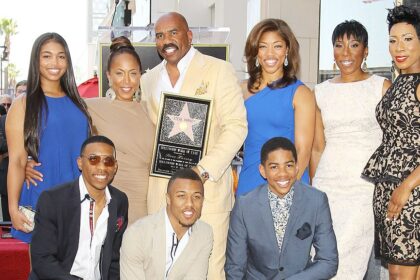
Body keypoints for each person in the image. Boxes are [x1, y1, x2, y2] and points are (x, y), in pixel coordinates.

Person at [141, 12, 247, 279]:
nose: (167, 40)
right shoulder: (148, 80)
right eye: (160, 35)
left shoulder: (218, 70)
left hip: (207, 191)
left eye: (173, 32)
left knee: (208, 271)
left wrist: (202, 171)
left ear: (189, 36)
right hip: (162, 196)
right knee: (162, 269)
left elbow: (236, 126)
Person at [310, 20, 391, 279]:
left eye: (354, 45)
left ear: (365, 51)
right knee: (322, 254)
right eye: (338, 45)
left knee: (349, 258)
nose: (345, 53)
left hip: (364, 187)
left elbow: (393, 142)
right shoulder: (320, 92)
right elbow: (317, 146)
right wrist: (313, 192)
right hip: (327, 184)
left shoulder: (381, 87)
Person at [6, 32, 91, 243]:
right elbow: (16, 160)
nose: (55, 62)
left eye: (61, 56)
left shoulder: (79, 104)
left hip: (77, 199)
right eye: (47, 56)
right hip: (40, 196)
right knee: (43, 271)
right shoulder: (22, 104)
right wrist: (12, 207)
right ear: (36, 60)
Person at [225, 137, 338, 279]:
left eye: (288, 165)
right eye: (274, 167)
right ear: (262, 171)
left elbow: (329, 262)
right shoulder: (245, 205)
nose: (283, 173)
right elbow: (235, 267)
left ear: (297, 167)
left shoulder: (316, 200)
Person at [362, 5, 420, 279]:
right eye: (393, 40)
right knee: (398, 272)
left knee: (401, 273)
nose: (399, 47)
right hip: (391, 190)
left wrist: (406, 187)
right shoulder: (399, 81)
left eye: (408, 39)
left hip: (413, 191)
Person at [30, 135, 128, 280]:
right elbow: (42, 259)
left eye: (108, 161)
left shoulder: (119, 201)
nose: (102, 167)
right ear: (80, 163)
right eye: (93, 159)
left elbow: (113, 258)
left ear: (115, 167)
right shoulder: (53, 200)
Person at [236, 18, 315, 196]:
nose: (270, 54)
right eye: (263, 46)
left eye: (277, 46)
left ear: (287, 50)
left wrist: (286, 190)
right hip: (250, 179)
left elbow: (303, 151)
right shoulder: (240, 90)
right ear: (255, 51)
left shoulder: (301, 93)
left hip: (287, 183)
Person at [86, 36, 155, 222]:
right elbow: (51, 111)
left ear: (140, 75)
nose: (127, 81)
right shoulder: (93, 107)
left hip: (146, 202)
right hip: (108, 200)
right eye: (119, 73)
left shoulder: (152, 109)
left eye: (133, 73)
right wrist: (28, 159)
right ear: (108, 76)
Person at [120, 168, 213, 279]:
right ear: (168, 199)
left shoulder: (204, 233)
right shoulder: (137, 235)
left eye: (196, 197)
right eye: (181, 196)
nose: (190, 204)